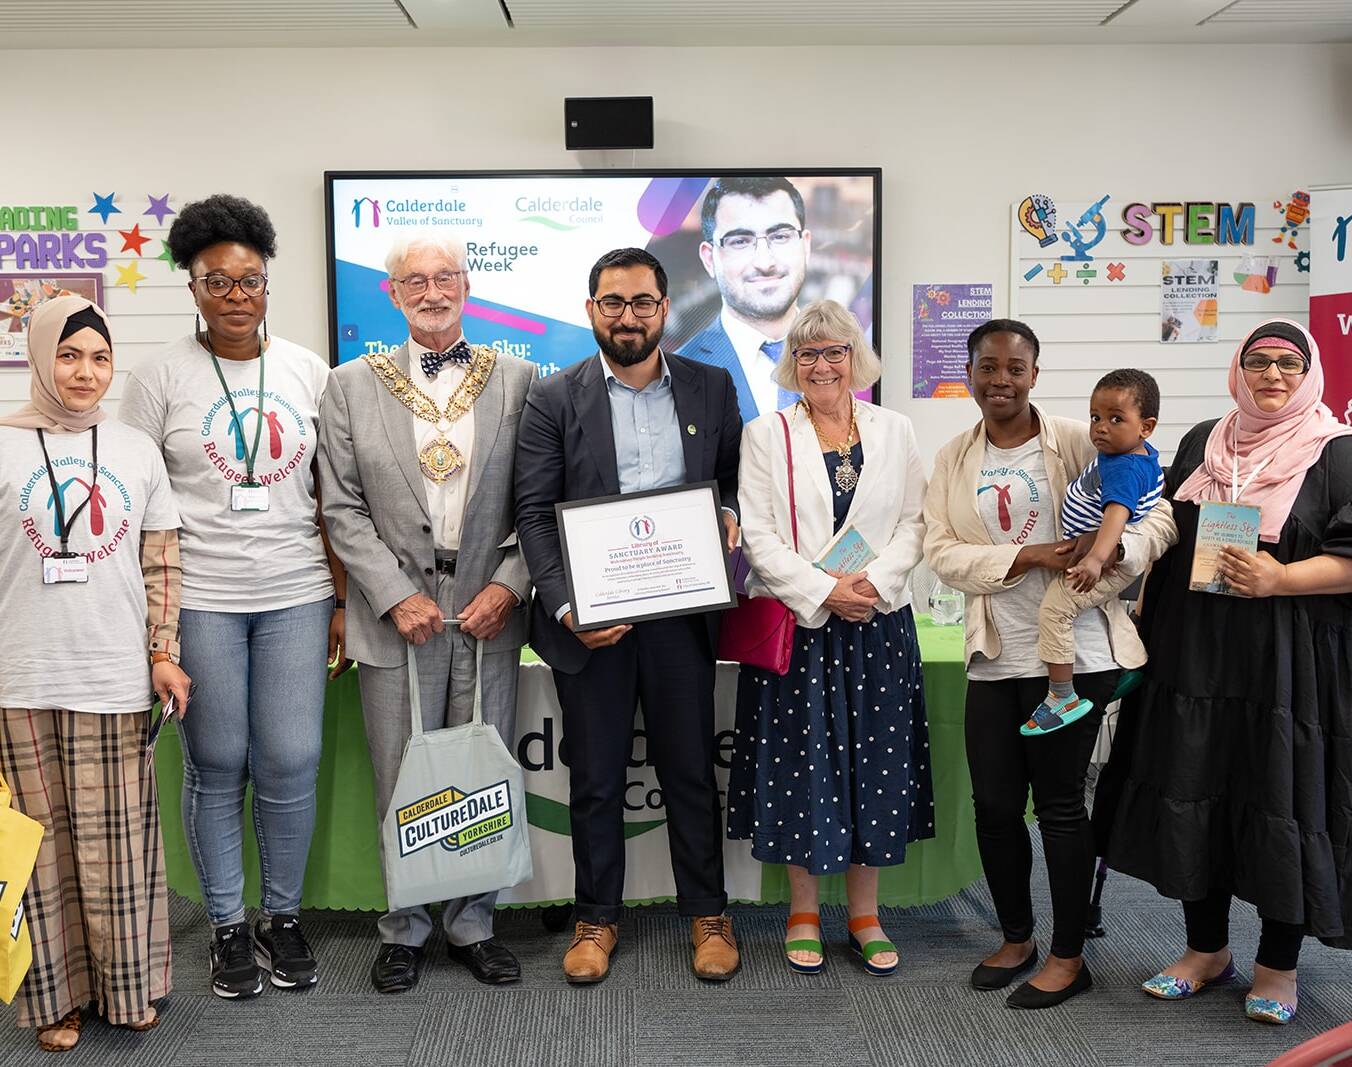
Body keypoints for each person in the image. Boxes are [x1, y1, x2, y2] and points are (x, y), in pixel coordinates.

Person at [119, 194, 347, 1000]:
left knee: (292, 757)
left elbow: (333, 497)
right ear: (193, 287)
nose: (238, 295)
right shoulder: (158, 379)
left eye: (251, 280)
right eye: (219, 282)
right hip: (203, 600)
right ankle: (225, 925)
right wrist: (155, 630)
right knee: (218, 763)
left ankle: (280, 917)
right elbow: (138, 505)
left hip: (297, 593)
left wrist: (344, 601)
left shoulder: (307, 371)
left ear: (265, 284)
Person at [1099, 320, 1352, 1025]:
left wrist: (1282, 575)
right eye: (1258, 361)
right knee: (1193, 788)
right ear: (1239, 369)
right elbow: (1171, 534)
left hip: (1284, 663)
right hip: (1194, 652)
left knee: (1279, 798)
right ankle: (1205, 949)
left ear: (1309, 373)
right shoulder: (1204, 441)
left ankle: (1277, 965)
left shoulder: (1336, 452)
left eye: (1288, 363)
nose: (1272, 374)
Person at [922, 318, 1176, 1009]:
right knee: (995, 806)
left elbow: (1159, 517)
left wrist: (1111, 555)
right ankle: (1017, 937)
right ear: (970, 373)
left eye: (1014, 367)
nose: (1000, 380)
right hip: (995, 653)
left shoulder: (1081, 435)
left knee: (1060, 806)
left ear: (1035, 372)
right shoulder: (952, 457)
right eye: (987, 367)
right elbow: (940, 553)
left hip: (1077, 655)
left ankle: (1069, 956)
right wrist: (1026, 556)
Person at [516, 247, 742, 984]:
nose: (628, 316)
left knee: (687, 772)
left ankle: (708, 915)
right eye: (612, 302)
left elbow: (734, 476)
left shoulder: (711, 388)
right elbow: (536, 516)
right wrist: (566, 604)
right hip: (591, 623)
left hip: (681, 618)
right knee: (598, 779)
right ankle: (595, 920)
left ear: (664, 308)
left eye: (643, 302)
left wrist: (731, 513)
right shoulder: (553, 399)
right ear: (591, 311)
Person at [318, 232, 534, 992]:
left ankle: (474, 922)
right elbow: (341, 507)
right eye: (416, 280)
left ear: (468, 286)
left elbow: (537, 505)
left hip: (488, 609)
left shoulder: (519, 379)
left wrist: (509, 584)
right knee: (401, 775)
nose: (433, 291)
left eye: (446, 277)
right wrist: (391, 593)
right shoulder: (349, 384)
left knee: (480, 771)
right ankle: (404, 928)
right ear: (393, 293)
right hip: (394, 612)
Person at [0, 297, 188, 1051]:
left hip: (113, 675)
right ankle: (53, 1000)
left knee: (120, 847)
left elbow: (162, 560)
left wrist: (163, 650)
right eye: (70, 355)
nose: (85, 372)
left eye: (100, 358)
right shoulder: (3, 445)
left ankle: (128, 987)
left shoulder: (137, 448)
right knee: (39, 849)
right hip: (20, 675)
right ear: (42, 358)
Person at [726, 299, 933, 976]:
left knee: (874, 768)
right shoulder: (766, 435)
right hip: (804, 627)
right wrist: (825, 591)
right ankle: (804, 912)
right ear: (793, 363)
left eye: (834, 351)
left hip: (877, 624)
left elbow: (915, 520)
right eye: (808, 353)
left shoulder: (895, 429)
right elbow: (758, 535)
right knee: (802, 770)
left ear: (855, 358)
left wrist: (872, 584)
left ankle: (866, 915)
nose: (821, 364)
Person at [1024, 369, 1164, 735]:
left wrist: (1096, 558)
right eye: (1095, 417)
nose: (1101, 427)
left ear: (1146, 427)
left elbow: (1117, 514)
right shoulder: (1127, 454)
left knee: (1056, 610)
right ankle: (1127, 665)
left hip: (1105, 563)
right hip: (1098, 554)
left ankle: (1061, 696)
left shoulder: (1126, 469)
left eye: (1116, 419)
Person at [681, 176, 812, 422]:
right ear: (709, 259)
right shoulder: (680, 374)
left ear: (805, 245)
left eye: (780, 236)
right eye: (740, 241)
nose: (765, 263)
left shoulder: (850, 357)